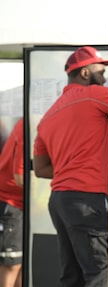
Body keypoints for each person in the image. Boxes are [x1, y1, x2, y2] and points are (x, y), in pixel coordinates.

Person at [33, 46, 108, 287]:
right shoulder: (94, 95)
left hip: (59, 201)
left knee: (72, 276)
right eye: (101, 70)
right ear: (85, 73)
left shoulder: (48, 115)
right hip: (86, 201)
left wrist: (72, 168)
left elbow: (40, 168)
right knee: (101, 273)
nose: (105, 76)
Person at [0, 118, 24, 287]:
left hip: (16, 203)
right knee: (12, 264)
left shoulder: (23, 123)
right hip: (11, 202)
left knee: (19, 264)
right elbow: (20, 177)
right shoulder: (28, 127)